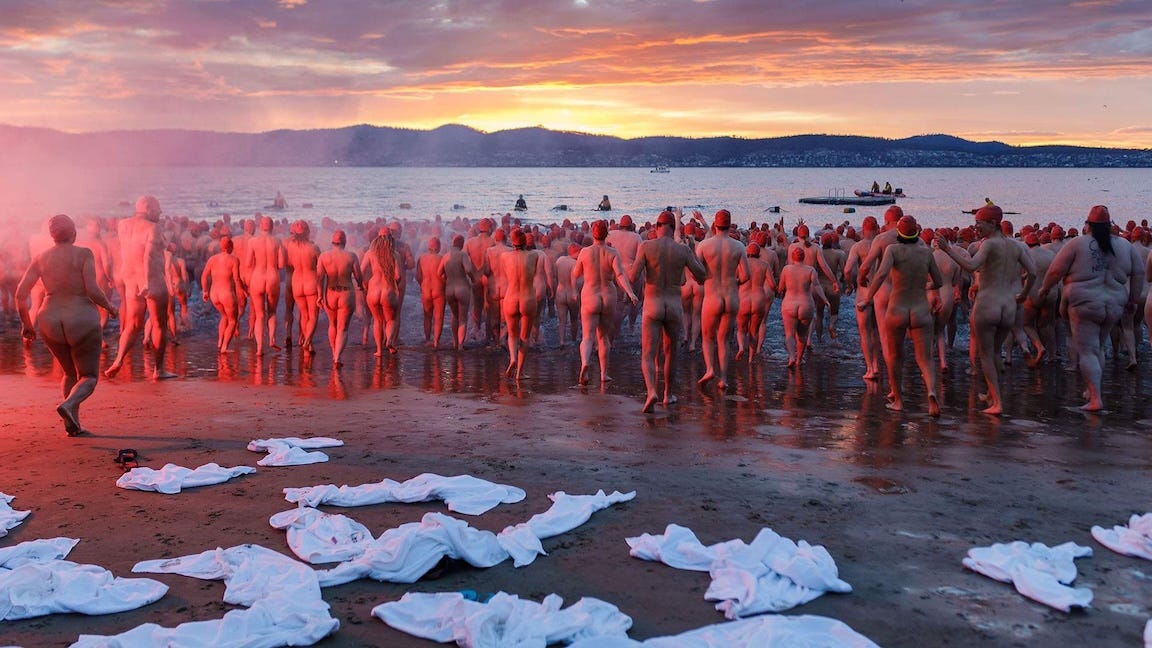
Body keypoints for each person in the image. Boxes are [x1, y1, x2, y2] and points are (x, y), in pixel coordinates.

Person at [16, 214, 117, 436]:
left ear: (52, 236)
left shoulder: (41, 258)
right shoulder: (83, 254)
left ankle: (73, 424)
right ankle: (69, 406)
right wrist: (110, 307)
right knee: (88, 376)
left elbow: (20, 295)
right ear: (74, 233)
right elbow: (92, 289)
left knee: (69, 372)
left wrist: (26, 324)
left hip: (49, 318)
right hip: (80, 316)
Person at [1034, 205, 1143, 411]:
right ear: (1109, 225)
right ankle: (1092, 389)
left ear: (1088, 225)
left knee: (1088, 351)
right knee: (1098, 347)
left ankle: (1095, 399)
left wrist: (1044, 289)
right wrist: (1133, 300)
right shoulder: (1125, 246)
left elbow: (1056, 270)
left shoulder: (1078, 243)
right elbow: (1137, 274)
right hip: (1114, 304)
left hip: (1085, 304)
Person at [936, 204, 1036, 415]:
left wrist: (947, 249)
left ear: (992, 223)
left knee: (986, 355)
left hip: (988, 304)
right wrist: (1025, 294)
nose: (976, 228)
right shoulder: (1016, 246)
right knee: (996, 352)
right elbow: (1033, 273)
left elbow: (971, 266)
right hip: (1008, 306)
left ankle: (997, 403)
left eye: (979, 224)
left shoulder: (989, 245)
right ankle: (991, 394)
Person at [857, 216, 943, 415]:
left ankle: (897, 398)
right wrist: (925, 285)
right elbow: (938, 281)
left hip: (898, 308)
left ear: (898, 233)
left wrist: (867, 299)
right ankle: (931, 392)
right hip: (920, 309)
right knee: (925, 358)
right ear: (916, 233)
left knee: (896, 356)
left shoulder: (892, 250)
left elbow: (879, 275)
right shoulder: (926, 252)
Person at [629, 210, 707, 413]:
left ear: (656, 227)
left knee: (647, 353)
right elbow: (701, 275)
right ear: (673, 228)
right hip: (673, 305)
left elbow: (633, 276)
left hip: (653, 304)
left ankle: (651, 391)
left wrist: (627, 266)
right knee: (671, 353)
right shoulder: (682, 250)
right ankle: (667, 395)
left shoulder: (646, 246)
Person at [104, 195, 178, 380]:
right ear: (147, 207)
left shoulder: (123, 225)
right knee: (159, 324)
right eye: (158, 208)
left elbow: (127, 250)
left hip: (130, 280)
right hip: (150, 280)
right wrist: (146, 281)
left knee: (133, 324)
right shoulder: (153, 227)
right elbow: (148, 256)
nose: (160, 212)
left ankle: (118, 360)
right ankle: (158, 370)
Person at [573, 220, 639, 385]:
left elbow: (575, 274)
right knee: (603, 337)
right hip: (608, 296)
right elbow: (620, 275)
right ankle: (603, 374)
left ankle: (586, 363)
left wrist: (575, 290)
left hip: (590, 296)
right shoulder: (613, 252)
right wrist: (631, 293)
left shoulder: (585, 252)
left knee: (587, 337)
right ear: (606, 234)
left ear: (593, 234)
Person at [695, 209, 750, 390]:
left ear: (715, 224)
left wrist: (703, 280)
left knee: (708, 337)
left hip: (712, 297)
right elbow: (746, 276)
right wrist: (736, 282)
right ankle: (724, 378)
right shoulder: (739, 246)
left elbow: (696, 272)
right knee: (724, 340)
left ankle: (710, 369)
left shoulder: (704, 245)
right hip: (731, 297)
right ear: (729, 224)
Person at [497, 228, 539, 380]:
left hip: (511, 298)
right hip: (527, 298)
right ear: (525, 242)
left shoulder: (504, 256)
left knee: (512, 335)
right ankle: (520, 372)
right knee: (525, 337)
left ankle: (513, 358)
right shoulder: (534, 255)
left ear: (512, 242)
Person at [318, 230, 364, 368]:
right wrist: (361, 285)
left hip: (330, 293)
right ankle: (337, 358)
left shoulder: (324, 256)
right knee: (342, 328)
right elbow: (358, 276)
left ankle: (334, 353)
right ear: (345, 242)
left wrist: (320, 296)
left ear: (332, 242)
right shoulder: (351, 256)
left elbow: (319, 278)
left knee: (332, 324)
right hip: (346, 293)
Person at [778, 246, 829, 368]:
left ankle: (791, 356)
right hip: (806, 304)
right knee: (802, 334)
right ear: (804, 257)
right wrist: (825, 300)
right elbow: (817, 287)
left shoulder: (786, 269)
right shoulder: (810, 270)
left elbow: (780, 288)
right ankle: (799, 360)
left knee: (789, 334)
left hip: (789, 304)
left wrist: (778, 291)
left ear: (792, 257)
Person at [245, 215, 286, 355]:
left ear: (260, 226)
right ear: (272, 227)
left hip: (257, 277)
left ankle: (259, 348)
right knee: (272, 312)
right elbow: (281, 265)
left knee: (259, 315)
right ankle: (272, 340)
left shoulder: (253, 241)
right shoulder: (278, 241)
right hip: (272, 277)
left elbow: (248, 263)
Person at [362, 228, 403, 357]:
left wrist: (364, 283)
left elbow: (361, 270)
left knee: (378, 321)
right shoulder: (395, 254)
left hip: (373, 290)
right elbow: (398, 275)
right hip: (388, 289)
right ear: (391, 239)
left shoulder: (370, 253)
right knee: (391, 319)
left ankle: (379, 350)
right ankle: (389, 341)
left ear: (377, 239)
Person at [201, 235, 245, 354]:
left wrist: (205, 291)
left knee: (224, 316)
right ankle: (225, 347)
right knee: (232, 321)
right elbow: (236, 279)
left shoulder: (212, 259)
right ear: (231, 246)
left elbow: (204, 276)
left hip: (214, 294)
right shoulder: (234, 260)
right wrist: (242, 291)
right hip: (227, 294)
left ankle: (220, 341)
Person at [284, 220, 321, 354]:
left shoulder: (290, 247)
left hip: (296, 283)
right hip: (310, 282)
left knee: (304, 315)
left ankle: (308, 347)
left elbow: (286, 263)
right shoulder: (313, 248)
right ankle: (306, 341)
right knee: (313, 315)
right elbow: (321, 268)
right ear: (307, 232)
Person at [437, 234, 477, 351]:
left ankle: (454, 342)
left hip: (449, 289)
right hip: (462, 288)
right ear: (462, 244)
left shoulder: (446, 256)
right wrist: (473, 279)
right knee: (463, 318)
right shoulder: (462, 255)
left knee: (454, 316)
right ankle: (460, 345)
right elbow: (468, 269)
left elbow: (439, 273)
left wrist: (447, 280)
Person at [415, 236, 447, 349]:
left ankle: (427, 339)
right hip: (439, 290)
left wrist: (423, 285)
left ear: (429, 247)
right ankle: (436, 342)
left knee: (427, 316)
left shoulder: (421, 258)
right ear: (438, 247)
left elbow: (418, 276)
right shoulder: (442, 258)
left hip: (426, 291)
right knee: (438, 317)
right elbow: (444, 276)